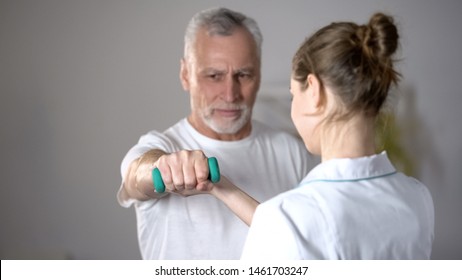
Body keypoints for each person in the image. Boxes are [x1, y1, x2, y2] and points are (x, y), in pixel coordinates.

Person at [197, 12, 434, 259]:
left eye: (294, 95)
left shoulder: (287, 218)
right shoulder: (417, 197)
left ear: (314, 90)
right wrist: (224, 188)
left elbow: (290, 228)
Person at [117, 7, 315, 260]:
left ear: (259, 74)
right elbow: (136, 176)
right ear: (185, 75)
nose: (230, 94)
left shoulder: (292, 152)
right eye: (214, 76)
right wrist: (162, 166)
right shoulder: (163, 144)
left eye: (243, 75)